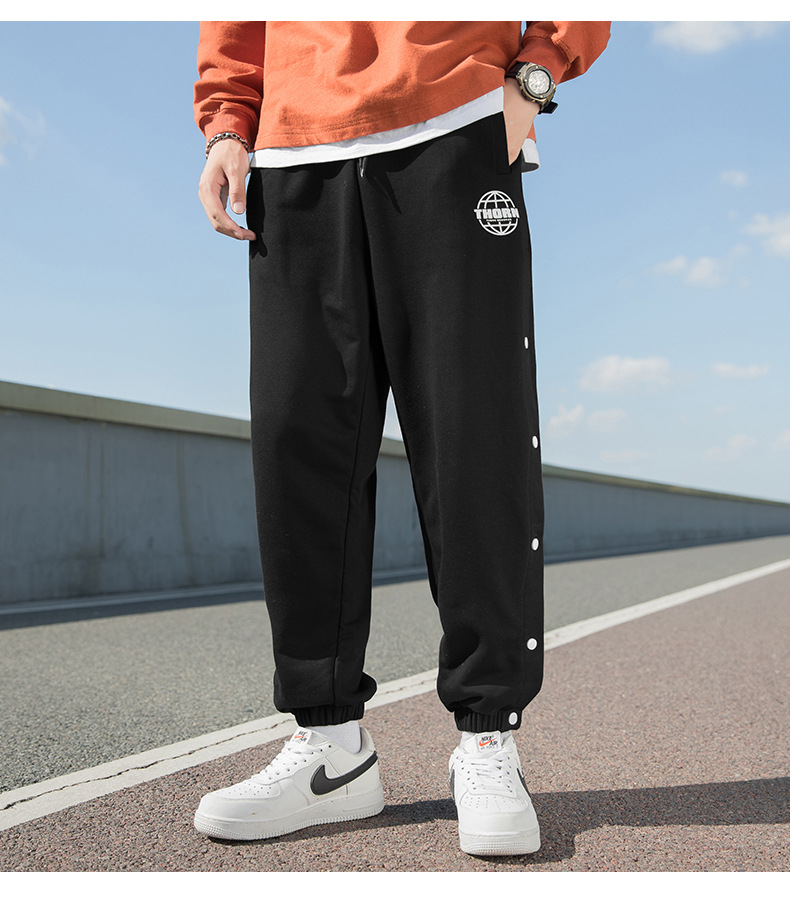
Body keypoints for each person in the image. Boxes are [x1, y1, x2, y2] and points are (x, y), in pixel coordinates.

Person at [192, 20, 610, 856]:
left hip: (452, 123)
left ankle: (487, 736)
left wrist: (535, 74)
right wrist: (229, 122)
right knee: (299, 444)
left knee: (471, 437)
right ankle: (330, 746)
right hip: (294, 149)